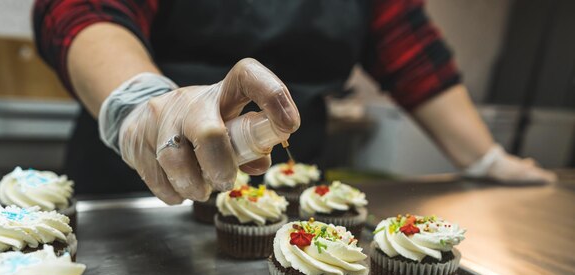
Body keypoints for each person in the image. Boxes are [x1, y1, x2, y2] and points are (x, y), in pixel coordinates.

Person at [33, 0, 555, 204]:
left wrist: (485, 156)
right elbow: (79, 11)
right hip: (134, 171)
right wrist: (142, 100)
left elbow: (413, 55)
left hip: (283, 171)